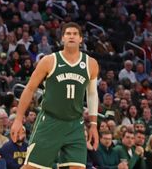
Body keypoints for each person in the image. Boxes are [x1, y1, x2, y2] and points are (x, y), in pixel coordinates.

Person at [10, 23, 99, 169]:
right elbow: (30, 89)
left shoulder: (91, 64)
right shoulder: (49, 61)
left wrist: (94, 125)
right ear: (62, 38)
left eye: (75, 34)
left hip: (75, 124)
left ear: (81, 39)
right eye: (68, 33)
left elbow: (92, 94)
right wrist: (18, 119)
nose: (71, 36)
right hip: (50, 121)